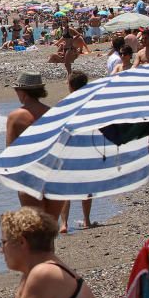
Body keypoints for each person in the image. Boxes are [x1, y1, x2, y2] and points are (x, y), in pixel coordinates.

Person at [6, 72, 63, 221]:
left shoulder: (16, 116)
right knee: (50, 228)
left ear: (22, 91)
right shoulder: (54, 114)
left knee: (35, 229)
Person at [58, 72, 95, 234]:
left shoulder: (64, 103)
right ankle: (86, 220)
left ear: (71, 86)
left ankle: (64, 224)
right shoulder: (90, 103)